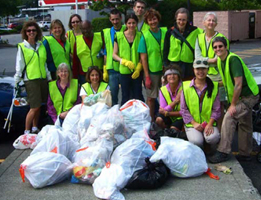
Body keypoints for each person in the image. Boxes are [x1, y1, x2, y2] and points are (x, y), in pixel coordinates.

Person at [208, 37, 259, 163]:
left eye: (220, 46)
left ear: (226, 47)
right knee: (245, 123)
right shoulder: (220, 61)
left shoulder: (233, 60)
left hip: (248, 96)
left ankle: (223, 151)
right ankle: (245, 153)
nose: (218, 49)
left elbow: (238, 85)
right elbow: (226, 81)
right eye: (215, 47)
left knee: (230, 117)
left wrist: (233, 104)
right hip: (241, 97)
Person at [14, 21, 52, 134]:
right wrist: (17, 80)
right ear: (25, 32)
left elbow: (44, 63)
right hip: (31, 79)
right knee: (34, 107)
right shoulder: (22, 47)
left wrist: (49, 78)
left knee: (39, 105)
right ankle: (26, 130)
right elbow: (19, 64)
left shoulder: (41, 45)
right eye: (29, 30)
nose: (31, 32)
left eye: (33, 30)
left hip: (42, 78)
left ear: (37, 32)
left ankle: (35, 127)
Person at [195, 12, 229, 130]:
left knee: (220, 105)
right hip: (203, 76)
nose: (211, 22)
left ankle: (220, 130)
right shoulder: (199, 37)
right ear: (204, 22)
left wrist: (205, 60)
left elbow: (222, 58)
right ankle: (207, 128)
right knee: (205, 104)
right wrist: (211, 60)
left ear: (216, 24)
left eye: (213, 21)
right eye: (208, 20)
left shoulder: (222, 38)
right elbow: (197, 57)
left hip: (219, 77)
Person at [180, 58, 221, 148]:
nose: (200, 71)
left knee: (213, 138)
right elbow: (183, 109)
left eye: (203, 68)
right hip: (192, 124)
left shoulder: (214, 87)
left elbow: (216, 109)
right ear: (193, 70)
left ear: (208, 70)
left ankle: (207, 144)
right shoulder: (186, 86)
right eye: (198, 69)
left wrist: (210, 124)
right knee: (196, 141)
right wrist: (194, 123)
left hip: (208, 123)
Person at [138, 8, 167, 122]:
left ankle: (166, 119)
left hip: (165, 71)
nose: (153, 22)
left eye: (154, 19)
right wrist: (147, 77)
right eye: (150, 20)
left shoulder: (165, 32)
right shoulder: (144, 36)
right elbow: (143, 58)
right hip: (152, 71)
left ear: (158, 19)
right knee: (151, 98)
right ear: (147, 22)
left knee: (167, 96)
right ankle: (150, 120)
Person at [113, 14, 144, 105]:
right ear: (125, 24)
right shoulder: (118, 36)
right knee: (125, 96)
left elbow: (143, 53)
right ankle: (125, 116)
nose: (131, 25)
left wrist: (139, 67)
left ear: (136, 23)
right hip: (124, 71)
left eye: (133, 23)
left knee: (138, 95)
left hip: (137, 71)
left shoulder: (140, 35)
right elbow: (114, 54)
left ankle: (139, 115)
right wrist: (123, 61)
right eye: (129, 23)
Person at [163, 7, 203, 80]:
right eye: (179, 19)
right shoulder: (170, 32)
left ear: (187, 19)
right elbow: (165, 50)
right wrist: (166, 66)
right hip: (173, 65)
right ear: (176, 18)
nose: (181, 22)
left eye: (184, 20)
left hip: (189, 66)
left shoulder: (196, 31)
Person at [102, 9, 126, 106]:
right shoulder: (106, 32)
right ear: (110, 20)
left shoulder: (127, 29)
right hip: (112, 68)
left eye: (117, 19)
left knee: (126, 93)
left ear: (121, 18)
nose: (115, 22)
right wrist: (105, 69)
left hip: (125, 66)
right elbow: (106, 51)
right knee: (113, 95)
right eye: (113, 19)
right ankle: (114, 114)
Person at [73, 20, 104, 85]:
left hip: (99, 73)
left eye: (87, 28)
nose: (86, 31)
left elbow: (106, 55)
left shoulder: (100, 37)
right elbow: (75, 60)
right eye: (83, 29)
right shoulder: (77, 42)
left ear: (91, 27)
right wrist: (75, 77)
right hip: (84, 74)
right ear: (81, 29)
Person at [156, 64, 183, 131]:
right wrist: (175, 101)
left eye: (175, 74)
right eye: (169, 74)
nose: (172, 76)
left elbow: (184, 112)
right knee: (158, 120)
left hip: (180, 117)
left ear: (179, 77)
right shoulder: (163, 89)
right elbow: (163, 109)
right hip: (167, 115)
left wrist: (167, 113)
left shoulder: (184, 89)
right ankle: (166, 130)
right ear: (166, 77)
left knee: (173, 130)